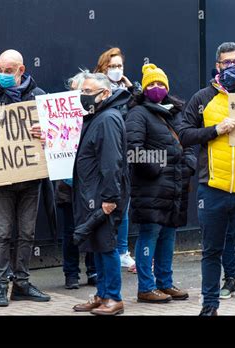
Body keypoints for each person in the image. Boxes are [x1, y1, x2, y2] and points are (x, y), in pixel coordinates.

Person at [179, 42, 235, 316]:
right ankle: (209, 306)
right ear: (217, 66)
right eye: (226, 62)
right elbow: (183, 134)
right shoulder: (202, 98)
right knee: (211, 251)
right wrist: (215, 129)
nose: (232, 67)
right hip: (212, 189)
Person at [0, 49, 51, 307]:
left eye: (8, 71)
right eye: (0, 70)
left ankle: (21, 283)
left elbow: (57, 136)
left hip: (31, 180)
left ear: (21, 70)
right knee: (2, 232)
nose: (2, 75)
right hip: (1, 182)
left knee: (27, 233)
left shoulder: (39, 97)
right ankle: (0, 285)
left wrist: (45, 133)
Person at [126, 64, 195, 303]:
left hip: (175, 187)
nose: (157, 88)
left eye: (161, 84)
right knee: (150, 235)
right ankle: (146, 287)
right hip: (151, 188)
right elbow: (133, 151)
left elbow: (188, 142)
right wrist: (159, 167)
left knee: (168, 235)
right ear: (144, 88)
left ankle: (165, 283)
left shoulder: (175, 112)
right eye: (151, 84)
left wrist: (188, 165)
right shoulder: (138, 113)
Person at [72, 73, 130, 316]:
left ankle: (114, 298)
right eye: (82, 91)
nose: (83, 96)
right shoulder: (98, 116)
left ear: (104, 93)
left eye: (88, 91)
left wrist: (109, 199)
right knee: (97, 245)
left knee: (106, 246)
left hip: (103, 196)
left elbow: (111, 163)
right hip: (92, 194)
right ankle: (102, 294)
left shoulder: (107, 119)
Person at [94, 47, 139, 272]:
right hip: (101, 154)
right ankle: (102, 255)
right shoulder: (94, 91)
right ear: (102, 68)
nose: (116, 70)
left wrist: (132, 87)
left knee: (123, 205)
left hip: (124, 153)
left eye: (119, 66)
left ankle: (122, 251)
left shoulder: (127, 92)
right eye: (111, 66)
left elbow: (140, 107)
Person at [57, 71, 97, 289]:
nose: (76, 94)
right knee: (70, 232)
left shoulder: (95, 115)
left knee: (91, 228)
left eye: (81, 91)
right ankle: (71, 274)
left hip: (89, 185)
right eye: (72, 90)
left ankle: (93, 271)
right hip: (67, 184)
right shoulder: (59, 116)